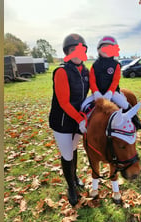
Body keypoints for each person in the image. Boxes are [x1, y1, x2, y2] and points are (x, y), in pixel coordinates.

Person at [49, 33, 90, 206]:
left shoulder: (86, 71)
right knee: (67, 154)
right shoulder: (61, 71)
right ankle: (71, 187)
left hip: (77, 120)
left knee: (73, 149)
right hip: (63, 121)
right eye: (73, 50)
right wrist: (81, 118)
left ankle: (74, 176)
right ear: (67, 52)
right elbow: (64, 102)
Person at [89, 35, 141, 130]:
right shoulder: (95, 65)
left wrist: (110, 92)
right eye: (104, 47)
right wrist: (96, 92)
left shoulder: (116, 65)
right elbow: (92, 80)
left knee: (125, 104)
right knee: (84, 106)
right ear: (98, 50)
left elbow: (115, 80)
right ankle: (83, 126)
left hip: (113, 92)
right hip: (97, 93)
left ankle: (136, 122)